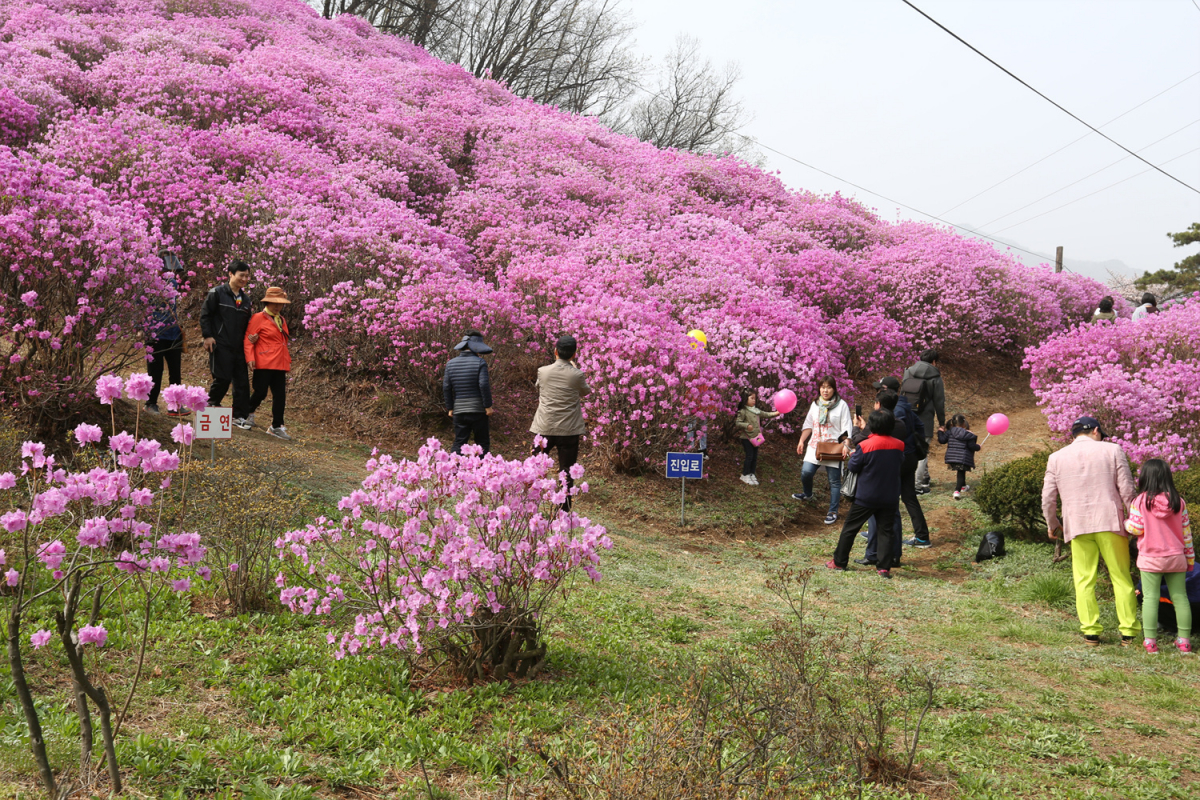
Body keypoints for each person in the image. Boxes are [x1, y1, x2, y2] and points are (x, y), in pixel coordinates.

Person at [1041, 415, 1139, 646]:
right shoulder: (1113, 450)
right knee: (1121, 577)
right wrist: (1136, 519)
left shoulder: (1056, 457)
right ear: (1096, 431)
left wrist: (1052, 523)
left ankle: (1091, 632)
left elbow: (1047, 497)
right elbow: (1127, 489)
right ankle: (1128, 632)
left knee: (1084, 580)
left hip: (1078, 525)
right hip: (1110, 522)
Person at [827, 409, 906, 579]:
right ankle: (884, 568)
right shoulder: (899, 445)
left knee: (850, 528)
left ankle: (839, 562)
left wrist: (853, 455)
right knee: (886, 531)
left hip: (866, 496)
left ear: (873, 426)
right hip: (890, 496)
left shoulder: (865, 445)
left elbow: (854, 467)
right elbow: (900, 463)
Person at [1125, 459, 1193, 655]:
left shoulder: (1140, 501)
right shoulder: (1178, 502)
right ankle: (1184, 642)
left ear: (1145, 477)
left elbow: (1136, 528)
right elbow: (1186, 534)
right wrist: (1189, 559)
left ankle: (1150, 642)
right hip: (1176, 557)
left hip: (1150, 559)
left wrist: (1125, 523)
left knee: (1150, 599)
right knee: (1180, 598)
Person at [531, 335, 590, 511]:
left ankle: (531, 501)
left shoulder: (543, 371)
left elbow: (538, 386)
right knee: (566, 470)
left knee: (536, 466)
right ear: (574, 354)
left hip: (544, 427)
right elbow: (585, 392)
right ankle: (564, 508)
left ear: (555, 351)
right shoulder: (577, 374)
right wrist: (574, 368)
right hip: (569, 430)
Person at [872, 376, 931, 550]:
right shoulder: (904, 405)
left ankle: (881, 531)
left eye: (880, 389)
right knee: (908, 496)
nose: (877, 393)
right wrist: (911, 446)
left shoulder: (894, 410)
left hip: (899, 458)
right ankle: (922, 536)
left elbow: (890, 433)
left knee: (885, 496)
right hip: (909, 457)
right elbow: (920, 426)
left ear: (888, 390)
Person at [200, 259, 254, 428]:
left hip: (238, 346)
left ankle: (239, 416)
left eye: (247, 276)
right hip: (220, 343)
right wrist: (207, 336)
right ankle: (210, 405)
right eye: (241, 275)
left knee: (242, 382)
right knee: (222, 377)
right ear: (230, 274)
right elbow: (205, 315)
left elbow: (248, 323)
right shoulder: (217, 293)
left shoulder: (246, 300)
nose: (244, 279)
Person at [792, 377, 852, 524]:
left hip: (833, 448)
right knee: (806, 472)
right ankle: (807, 494)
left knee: (834, 481)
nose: (825, 390)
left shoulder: (841, 405)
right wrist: (801, 440)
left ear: (834, 389)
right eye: (823, 387)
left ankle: (833, 511)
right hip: (815, 445)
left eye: (829, 387)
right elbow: (808, 424)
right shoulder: (816, 404)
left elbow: (846, 427)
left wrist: (845, 444)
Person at [244, 287, 292, 440]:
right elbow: (248, 338)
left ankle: (277, 425)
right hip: (264, 361)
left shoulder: (281, 319)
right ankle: (247, 413)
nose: (277, 306)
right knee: (260, 392)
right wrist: (250, 358)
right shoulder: (258, 317)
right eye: (273, 303)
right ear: (267, 302)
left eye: (280, 304)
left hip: (280, 362)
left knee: (280, 395)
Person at [145, 250, 185, 415]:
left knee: (175, 371)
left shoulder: (173, 282)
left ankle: (175, 405)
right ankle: (151, 403)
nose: (172, 271)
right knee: (155, 371)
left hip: (173, 333)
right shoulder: (148, 283)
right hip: (155, 333)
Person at [901, 349, 946, 495]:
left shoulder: (908, 372)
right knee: (922, 452)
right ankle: (918, 486)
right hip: (925, 419)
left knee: (908, 449)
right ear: (933, 362)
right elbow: (939, 401)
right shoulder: (935, 377)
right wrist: (942, 422)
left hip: (907, 416)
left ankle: (923, 479)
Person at [443, 330, 493, 455]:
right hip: (478, 410)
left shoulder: (450, 364)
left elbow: (446, 387)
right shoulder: (480, 362)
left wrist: (450, 408)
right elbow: (483, 384)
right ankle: (481, 471)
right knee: (482, 443)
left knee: (459, 442)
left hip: (459, 410)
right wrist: (488, 406)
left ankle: (453, 472)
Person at [735, 390, 781, 486]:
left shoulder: (756, 410)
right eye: (751, 398)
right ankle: (745, 474)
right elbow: (738, 423)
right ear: (745, 399)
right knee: (749, 456)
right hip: (746, 438)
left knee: (754, 457)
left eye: (754, 398)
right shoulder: (743, 411)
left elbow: (766, 414)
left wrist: (776, 413)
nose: (753, 400)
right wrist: (747, 425)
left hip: (756, 437)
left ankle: (752, 473)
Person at [938, 414, 981, 500]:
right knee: (961, 472)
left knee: (961, 471)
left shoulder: (949, 432)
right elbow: (972, 446)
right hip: (963, 457)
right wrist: (978, 447)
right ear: (964, 423)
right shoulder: (968, 434)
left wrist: (940, 431)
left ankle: (964, 486)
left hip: (951, 456)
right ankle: (957, 491)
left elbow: (942, 440)